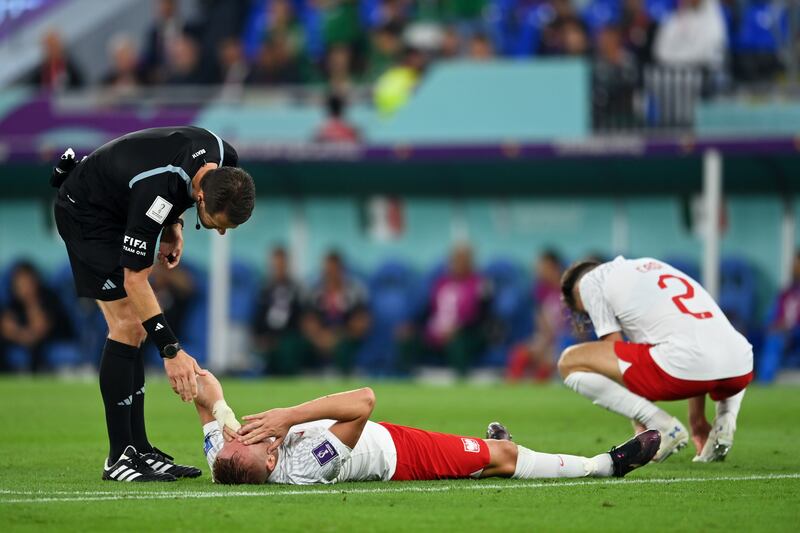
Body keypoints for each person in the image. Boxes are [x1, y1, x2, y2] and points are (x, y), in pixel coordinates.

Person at [50, 126, 256, 482]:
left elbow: (181, 185)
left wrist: (174, 224)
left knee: (134, 328)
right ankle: (119, 458)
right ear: (203, 199)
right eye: (216, 224)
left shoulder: (226, 160)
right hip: (87, 213)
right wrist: (172, 352)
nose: (220, 233)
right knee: (127, 325)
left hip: (120, 199)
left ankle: (140, 449)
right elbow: (134, 279)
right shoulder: (154, 193)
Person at [192, 371, 660, 485]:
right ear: (270, 461)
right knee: (504, 460)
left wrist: (221, 411)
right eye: (251, 441)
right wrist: (287, 417)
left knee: (490, 455)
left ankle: (490, 448)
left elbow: (202, 389)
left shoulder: (227, 456)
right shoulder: (303, 470)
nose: (246, 436)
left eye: (237, 438)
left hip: (382, 437)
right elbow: (363, 402)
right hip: (401, 455)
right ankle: (606, 466)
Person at [558, 256, 753, 465]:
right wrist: (696, 421)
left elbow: (614, 357)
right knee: (708, 346)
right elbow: (694, 342)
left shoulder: (589, 283)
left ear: (577, 292)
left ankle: (662, 426)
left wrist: (643, 421)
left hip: (685, 367)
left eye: (585, 311)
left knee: (569, 361)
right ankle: (725, 423)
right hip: (741, 365)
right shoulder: (650, 266)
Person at [424, 244, 491, 378]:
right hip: (438, 333)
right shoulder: (441, 283)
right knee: (408, 339)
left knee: (457, 343)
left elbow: (482, 316)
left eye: (462, 259)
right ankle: (404, 380)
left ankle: (461, 381)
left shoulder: (481, 284)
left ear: (470, 261)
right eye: (455, 259)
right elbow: (428, 311)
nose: (458, 263)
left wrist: (458, 328)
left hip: (468, 333)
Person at [301, 251, 370, 375]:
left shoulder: (354, 290)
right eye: (327, 270)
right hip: (320, 338)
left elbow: (361, 321)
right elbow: (308, 320)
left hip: (345, 337)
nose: (331, 274)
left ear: (341, 270)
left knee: (344, 348)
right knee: (298, 344)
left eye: (334, 270)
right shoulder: (315, 291)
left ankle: (344, 376)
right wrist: (319, 337)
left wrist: (339, 337)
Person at [0, 261, 74, 373]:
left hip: (50, 341)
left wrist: (31, 301)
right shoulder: (11, 302)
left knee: (37, 348)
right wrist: (22, 336)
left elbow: (40, 329)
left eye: (27, 282)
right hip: (21, 342)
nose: (24, 287)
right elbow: (6, 328)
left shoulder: (49, 298)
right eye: (20, 283)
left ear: (35, 281)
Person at [506, 250, 568, 382]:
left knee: (548, 359)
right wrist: (544, 341)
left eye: (542, 267)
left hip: (565, 340)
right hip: (546, 339)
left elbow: (572, 325)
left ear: (553, 267)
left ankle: (540, 389)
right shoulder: (541, 290)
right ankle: (511, 389)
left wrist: (553, 343)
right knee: (520, 353)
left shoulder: (569, 290)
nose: (538, 271)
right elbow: (541, 321)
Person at [251, 247, 306, 375]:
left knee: (288, 349)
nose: (279, 269)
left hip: (288, 337)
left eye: (281, 265)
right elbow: (258, 316)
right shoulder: (264, 289)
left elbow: (300, 317)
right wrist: (260, 336)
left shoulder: (295, 289)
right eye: (276, 265)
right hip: (267, 337)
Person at [758, 251, 800, 382]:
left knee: (774, 341)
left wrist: (788, 327)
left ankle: (764, 382)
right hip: (782, 331)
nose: (794, 267)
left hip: (795, 333)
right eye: (793, 264)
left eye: (797, 264)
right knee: (753, 336)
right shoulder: (786, 292)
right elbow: (776, 316)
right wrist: (775, 325)